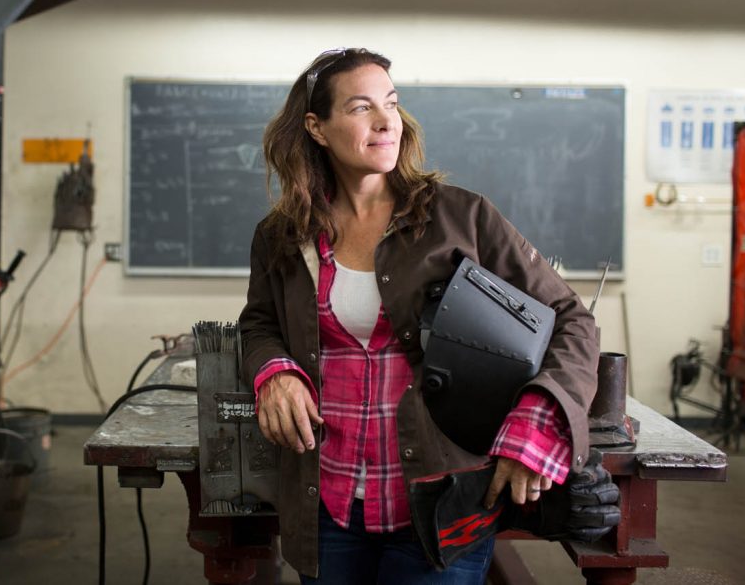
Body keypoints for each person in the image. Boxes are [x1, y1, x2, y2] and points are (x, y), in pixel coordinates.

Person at [238, 48, 599, 584]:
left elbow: (571, 319)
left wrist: (537, 426)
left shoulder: (461, 217)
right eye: (362, 107)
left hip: (442, 501)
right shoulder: (282, 234)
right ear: (317, 127)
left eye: (392, 102)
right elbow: (259, 323)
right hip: (328, 502)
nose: (388, 121)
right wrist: (275, 374)